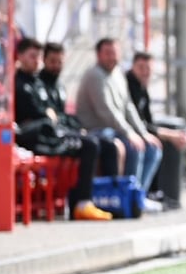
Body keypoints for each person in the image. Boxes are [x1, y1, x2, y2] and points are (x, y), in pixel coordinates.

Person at [12, 37, 112, 221]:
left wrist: (60, 120)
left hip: (51, 134)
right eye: (32, 56)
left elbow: (56, 114)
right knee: (89, 145)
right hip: (36, 139)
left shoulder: (39, 83)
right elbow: (39, 115)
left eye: (38, 57)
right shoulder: (19, 84)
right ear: (20, 56)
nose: (36, 61)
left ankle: (91, 200)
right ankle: (81, 204)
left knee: (100, 143)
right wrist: (49, 116)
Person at [75, 38, 165, 213]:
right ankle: (127, 196)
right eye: (107, 53)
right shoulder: (94, 75)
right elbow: (107, 112)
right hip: (98, 129)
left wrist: (143, 133)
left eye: (114, 53)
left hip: (116, 129)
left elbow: (128, 107)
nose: (111, 57)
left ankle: (139, 195)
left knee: (152, 148)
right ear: (98, 55)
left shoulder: (118, 74)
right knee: (133, 147)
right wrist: (130, 134)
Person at [41, 42, 123, 177]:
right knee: (91, 145)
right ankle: (83, 196)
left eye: (59, 62)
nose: (56, 66)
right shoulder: (39, 84)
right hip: (51, 135)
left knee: (109, 146)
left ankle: (111, 191)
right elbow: (49, 117)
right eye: (52, 61)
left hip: (67, 130)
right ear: (44, 60)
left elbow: (62, 115)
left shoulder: (59, 85)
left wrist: (77, 127)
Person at [126, 51, 186, 210]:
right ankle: (138, 195)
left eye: (148, 68)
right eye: (140, 67)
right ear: (133, 66)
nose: (144, 72)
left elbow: (148, 122)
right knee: (150, 146)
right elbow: (138, 125)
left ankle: (145, 193)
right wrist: (170, 135)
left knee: (155, 145)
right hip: (129, 133)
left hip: (140, 132)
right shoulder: (128, 86)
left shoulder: (143, 88)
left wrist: (172, 135)